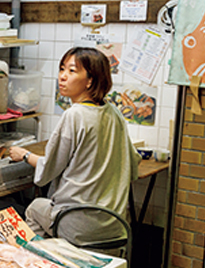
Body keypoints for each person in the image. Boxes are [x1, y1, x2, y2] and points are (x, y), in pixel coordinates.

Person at [9, 47, 141, 245]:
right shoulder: (114, 113)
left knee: (35, 208)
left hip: (78, 224)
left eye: (72, 71)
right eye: (62, 69)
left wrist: (25, 155)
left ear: (90, 80)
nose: (62, 77)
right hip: (116, 225)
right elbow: (132, 164)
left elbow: (48, 170)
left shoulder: (74, 115)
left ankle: (44, 265)